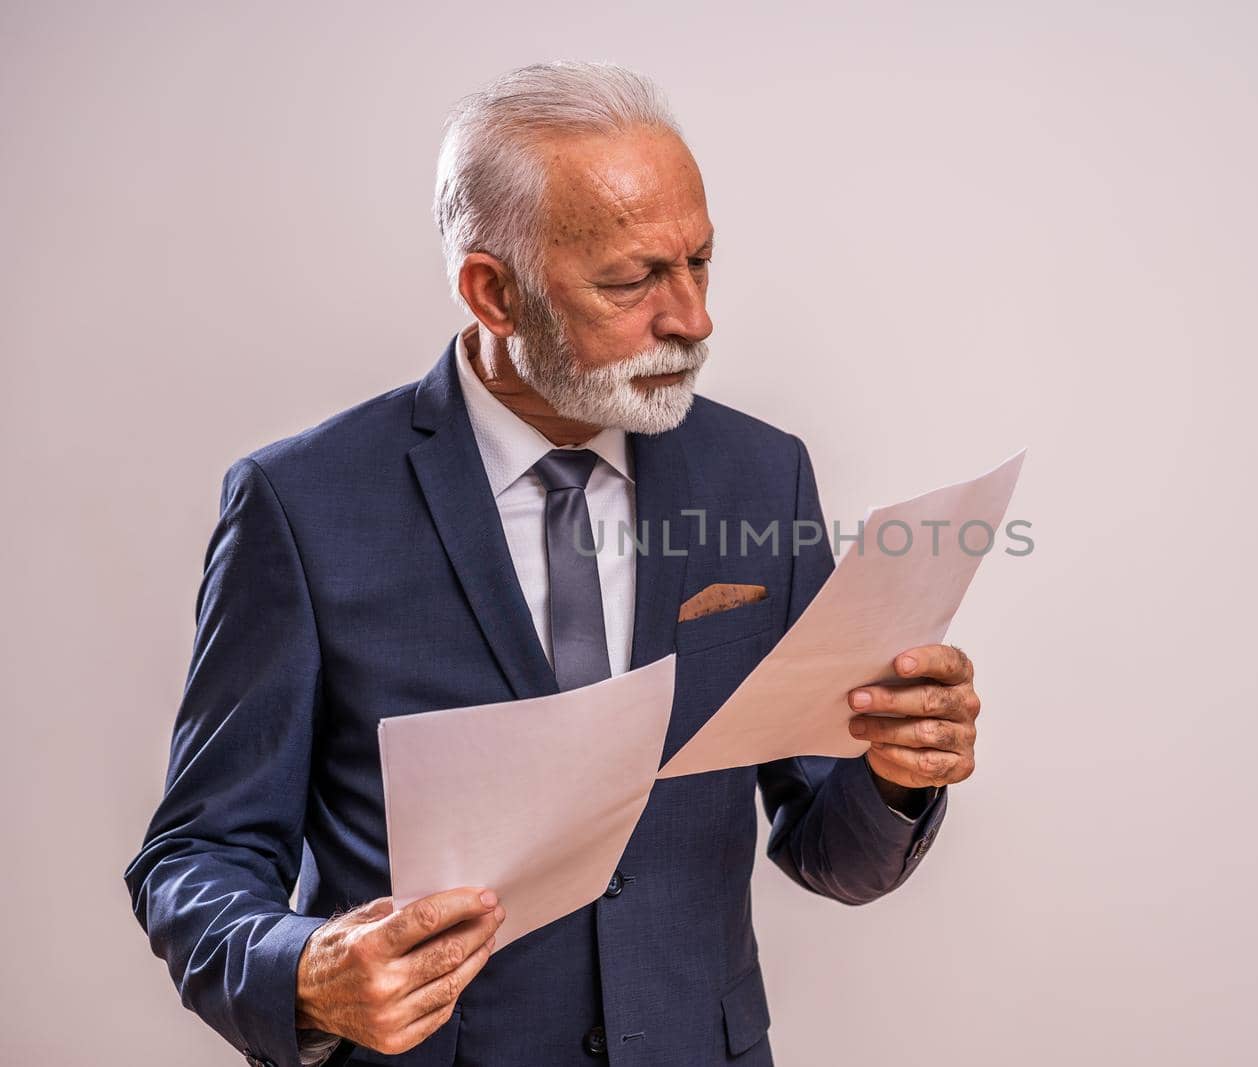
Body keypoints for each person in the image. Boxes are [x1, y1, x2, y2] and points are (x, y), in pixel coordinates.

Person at [125, 61, 982, 1067]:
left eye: (699, 261)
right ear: (494, 291)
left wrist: (892, 774)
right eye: (633, 280)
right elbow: (196, 855)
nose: (692, 318)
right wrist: (304, 967)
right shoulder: (301, 504)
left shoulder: (760, 475)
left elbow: (827, 848)